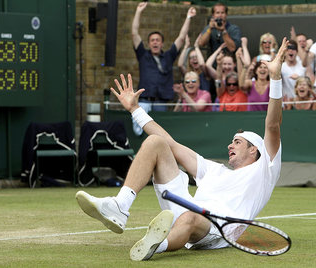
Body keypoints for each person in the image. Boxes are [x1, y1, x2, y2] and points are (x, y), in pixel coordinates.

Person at [75, 37, 289, 261]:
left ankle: (156, 245)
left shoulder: (265, 171)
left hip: (215, 228)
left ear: (254, 150)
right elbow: (171, 143)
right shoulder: (214, 170)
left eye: (237, 142)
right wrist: (135, 109)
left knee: (189, 218)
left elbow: (273, 125)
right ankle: (120, 205)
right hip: (186, 207)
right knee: (157, 143)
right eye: (232, 141)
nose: (230, 144)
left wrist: (275, 78)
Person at [131, 2, 196, 135]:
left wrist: (188, 17)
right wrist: (138, 12)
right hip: (144, 100)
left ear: (161, 43)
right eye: (152, 40)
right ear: (149, 44)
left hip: (161, 102)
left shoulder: (168, 56)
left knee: (159, 133)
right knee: (138, 132)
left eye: (158, 40)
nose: (155, 42)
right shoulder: (143, 55)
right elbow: (134, 34)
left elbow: (181, 38)